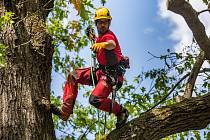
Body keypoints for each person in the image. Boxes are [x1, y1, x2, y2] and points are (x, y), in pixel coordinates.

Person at [51, 7, 129, 128]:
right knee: (73, 76)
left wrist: (102, 44)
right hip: (101, 72)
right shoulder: (99, 38)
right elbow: (98, 43)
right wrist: (93, 39)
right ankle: (65, 112)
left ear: (109, 23)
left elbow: (111, 44)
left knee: (95, 100)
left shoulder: (109, 36)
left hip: (111, 77)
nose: (103, 25)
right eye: (100, 22)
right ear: (96, 24)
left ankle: (121, 111)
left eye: (105, 22)